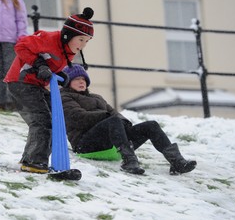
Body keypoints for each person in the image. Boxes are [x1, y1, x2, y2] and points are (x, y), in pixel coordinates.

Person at [60, 64, 197, 175]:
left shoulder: (97, 97)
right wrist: (107, 117)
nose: (81, 81)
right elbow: (78, 118)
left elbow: (115, 114)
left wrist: (124, 124)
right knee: (113, 120)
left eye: (83, 79)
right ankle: (129, 161)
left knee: (151, 125)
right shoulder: (65, 97)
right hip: (86, 144)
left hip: (110, 140)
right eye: (77, 79)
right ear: (68, 82)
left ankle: (177, 162)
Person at [4, 7, 95, 173]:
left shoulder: (69, 51)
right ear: (68, 35)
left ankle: (30, 158)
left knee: (54, 121)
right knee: (41, 120)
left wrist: (60, 73)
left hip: (36, 85)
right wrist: (39, 65)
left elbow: (51, 65)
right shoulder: (49, 39)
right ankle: (35, 162)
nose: (83, 45)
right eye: (81, 40)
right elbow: (21, 46)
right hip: (21, 81)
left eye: (87, 41)